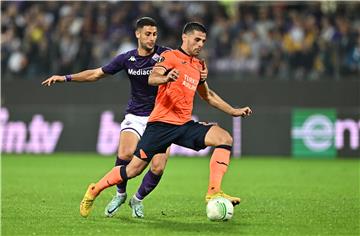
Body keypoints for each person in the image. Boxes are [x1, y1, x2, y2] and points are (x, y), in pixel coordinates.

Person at [79, 22, 252, 218]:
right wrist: (167, 78)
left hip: (184, 124)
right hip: (160, 125)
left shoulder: (199, 65)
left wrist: (233, 111)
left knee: (224, 138)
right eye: (197, 39)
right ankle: (95, 189)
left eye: (203, 41)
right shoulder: (170, 57)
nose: (200, 44)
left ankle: (213, 191)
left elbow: (209, 95)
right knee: (133, 169)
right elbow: (153, 77)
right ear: (184, 38)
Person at [42, 17, 177, 218]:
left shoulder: (166, 55)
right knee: (124, 154)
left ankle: (137, 200)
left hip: (161, 117)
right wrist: (65, 77)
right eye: (147, 34)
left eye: (154, 34)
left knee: (157, 167)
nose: (151, 38)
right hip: (136, 115)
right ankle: (120, 194)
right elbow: (96, 74)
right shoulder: (126, 58)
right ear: (137, 34)